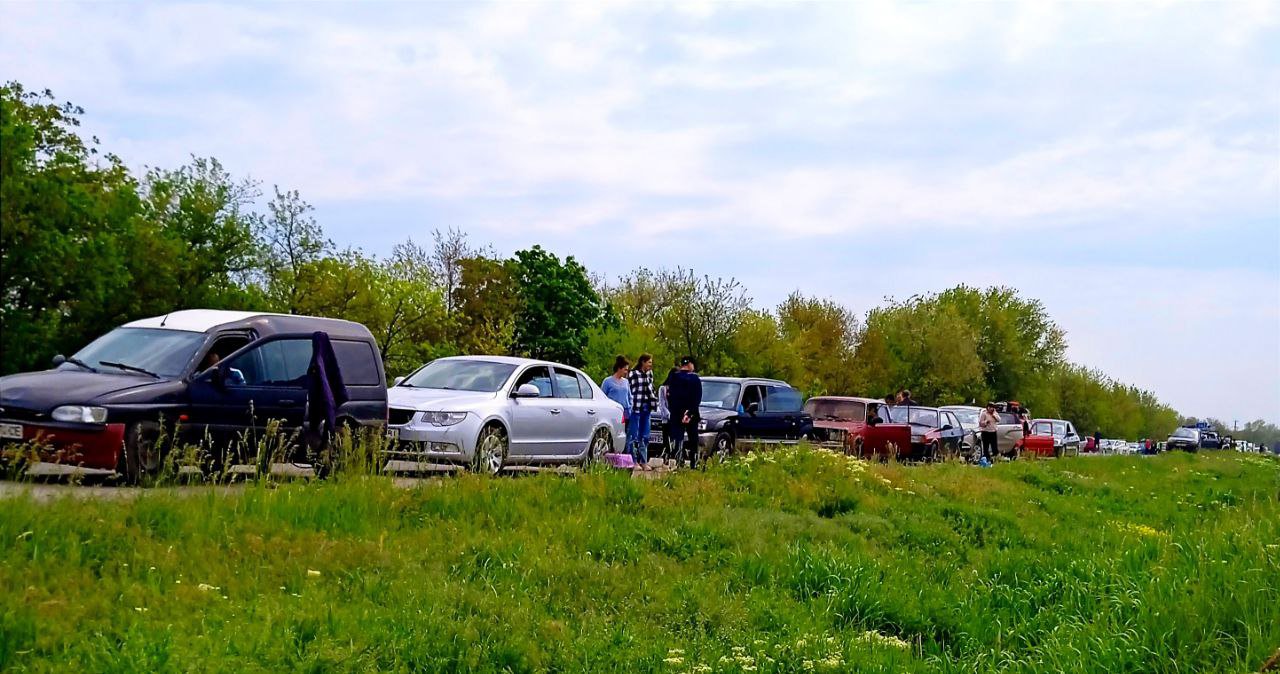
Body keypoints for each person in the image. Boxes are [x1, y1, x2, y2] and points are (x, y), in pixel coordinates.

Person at [666, 356, 703, 470]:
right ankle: (693, 463)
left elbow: (669, 395)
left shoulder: (673, 377)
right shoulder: (695, 379)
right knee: (693, 438)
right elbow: (697, 397)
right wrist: (689, 412)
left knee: (678, 437)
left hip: (676, 412)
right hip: (691, 413)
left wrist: (675, 410)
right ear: (690, 364)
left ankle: (678, 461)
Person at [627, 353, 656, 471]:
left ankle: (643, 460)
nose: (650, 364)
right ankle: (633, 461)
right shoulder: (633, 374)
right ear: (643, 362)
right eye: (649, 362)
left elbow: (651, 388)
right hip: (636, 408)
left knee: (645, 436)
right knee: (633, 435)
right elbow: (630, 390)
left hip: (646, 407)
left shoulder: (650, 374)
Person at [601, 356, 631, 432]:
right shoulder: (607, 381)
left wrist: (630, 407)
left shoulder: (626, 382)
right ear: (619, 368)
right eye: (625, 370)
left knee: (625, 433)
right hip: (613, 411)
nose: (626, 372)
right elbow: (602, 397)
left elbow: (629, 396)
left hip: (625, 412)